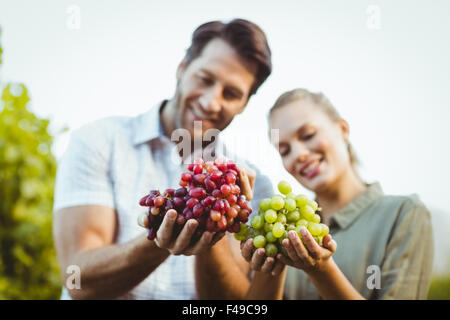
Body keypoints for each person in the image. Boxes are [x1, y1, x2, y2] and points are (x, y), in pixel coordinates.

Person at [52, 18, 274, 300]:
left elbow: (238, 303)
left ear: (244, 104)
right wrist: (161, 240)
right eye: (204, 79)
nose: (210, 102)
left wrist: (214, 224)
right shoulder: (98, 141)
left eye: (231, 94)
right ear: (182, 68)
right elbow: (78, 279)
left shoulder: (251, 187)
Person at [242, 88, 434, 299]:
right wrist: (269, 266)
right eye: (285, 151)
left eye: (308, 135)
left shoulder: (403, 214)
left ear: (343, 129)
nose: (299, 154)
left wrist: (322, 270)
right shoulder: (285, 231)